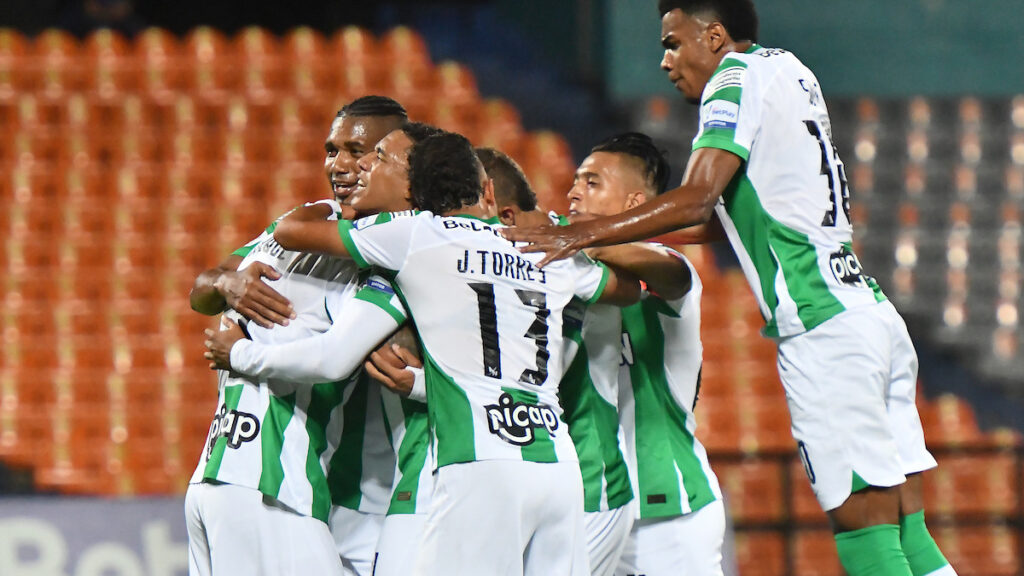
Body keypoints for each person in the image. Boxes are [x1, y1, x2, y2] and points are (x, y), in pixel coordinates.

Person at [502, 2, 955, 575]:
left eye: (673, 42)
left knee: (864, 530)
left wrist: (577, 234)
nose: (666, 61)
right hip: (868, 309)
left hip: (820, 323)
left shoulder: (732, 80)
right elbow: (730, 216)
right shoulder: (790, 71)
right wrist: (592, 234)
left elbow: (695, 198)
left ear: (714, 36)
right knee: (907, 528)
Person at [272, 132, 639, 576]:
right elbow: (627, 289)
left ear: (417, 197)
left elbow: (290, 233)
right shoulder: (541, 245)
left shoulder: (415, 235)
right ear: (486, 190)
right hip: (558, 466)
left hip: (480, 464)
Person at [184, 96, 408, 576]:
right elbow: (202, 289)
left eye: (358, 151)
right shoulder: (306, 221)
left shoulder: (375, 240)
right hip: (269, 480)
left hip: (244, 479)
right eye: (332, 150)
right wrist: (227, 283)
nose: (339, 164)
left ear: (396, 160)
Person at [560, 133, 726, 576]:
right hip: (589, 506)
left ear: (635, 201)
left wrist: (585, 239)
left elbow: (674, 278)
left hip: (668, 515)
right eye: (575, 181)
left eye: (592, 183)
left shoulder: (668, 268)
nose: (574, 191)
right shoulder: (570, 276)